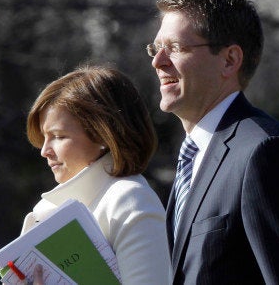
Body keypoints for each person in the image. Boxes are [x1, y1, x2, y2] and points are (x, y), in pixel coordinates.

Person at [147, 0, 279, 284]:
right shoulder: (193, 156)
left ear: (230, 60)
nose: (158, 62)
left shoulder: (266, 153)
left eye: (176, 47)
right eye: (156, 48)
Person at [22, 65, 170, 284]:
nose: (45, 151)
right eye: (44, 137)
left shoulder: (130, 200)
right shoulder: (45, 210)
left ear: (104, 135)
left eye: (59, 136)